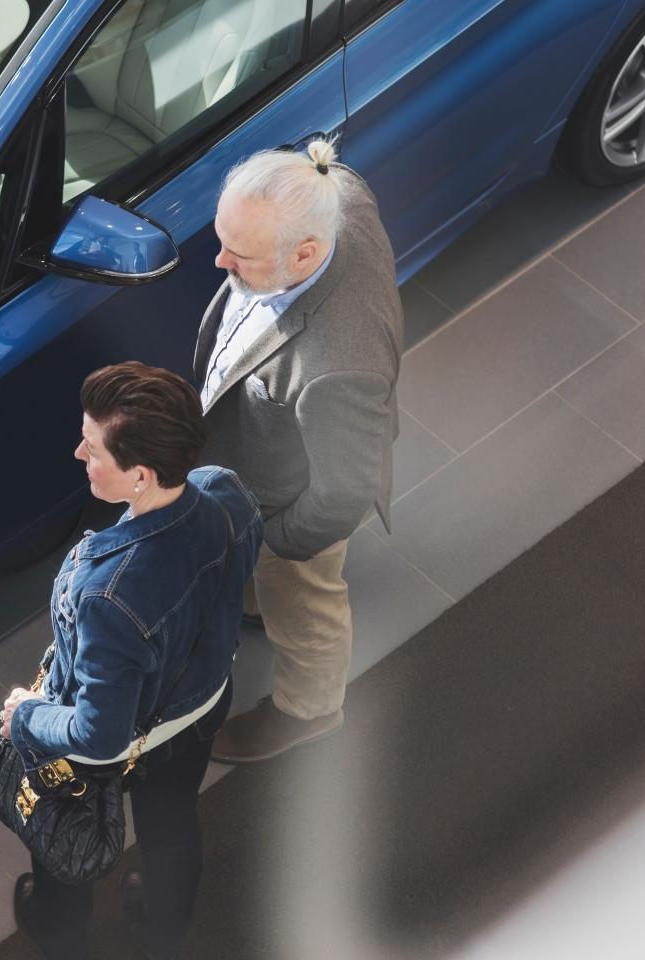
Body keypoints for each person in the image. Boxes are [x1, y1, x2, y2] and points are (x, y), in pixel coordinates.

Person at [0, 362, 262, 960]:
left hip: (130, 734)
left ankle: (59, 930)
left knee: (62, 832)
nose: (78, 453)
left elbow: (99, 736)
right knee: (171, 824)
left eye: (91, 448)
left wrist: (27, 716)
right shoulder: (223, 488)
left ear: (140, 475)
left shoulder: (109, 597)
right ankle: (165, 926)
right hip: (200, 707)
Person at [195, 140, 403, 763]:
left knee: (305, 606)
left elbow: (343, 493)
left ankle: (308, 712)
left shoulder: (339, 366)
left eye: (241, 255)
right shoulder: (335, 191)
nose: (218, 260)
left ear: (305, 254)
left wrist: (281, 541)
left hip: (291, 500)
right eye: (222, 237)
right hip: (261, 461)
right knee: (266, 581)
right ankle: (257, 601)